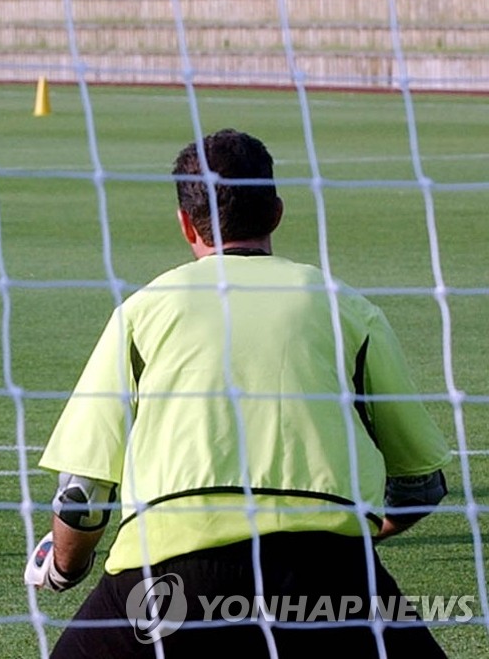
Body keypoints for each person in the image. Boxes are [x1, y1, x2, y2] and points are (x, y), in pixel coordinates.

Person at [24, 129, 451, 657]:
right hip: (330, 581)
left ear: (185, 223)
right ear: (276, 212)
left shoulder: (142, 313)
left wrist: (65, 568)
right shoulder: (347, 309)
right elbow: (421, 487)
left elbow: (82, 498)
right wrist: (345, 530)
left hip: (171, 583)